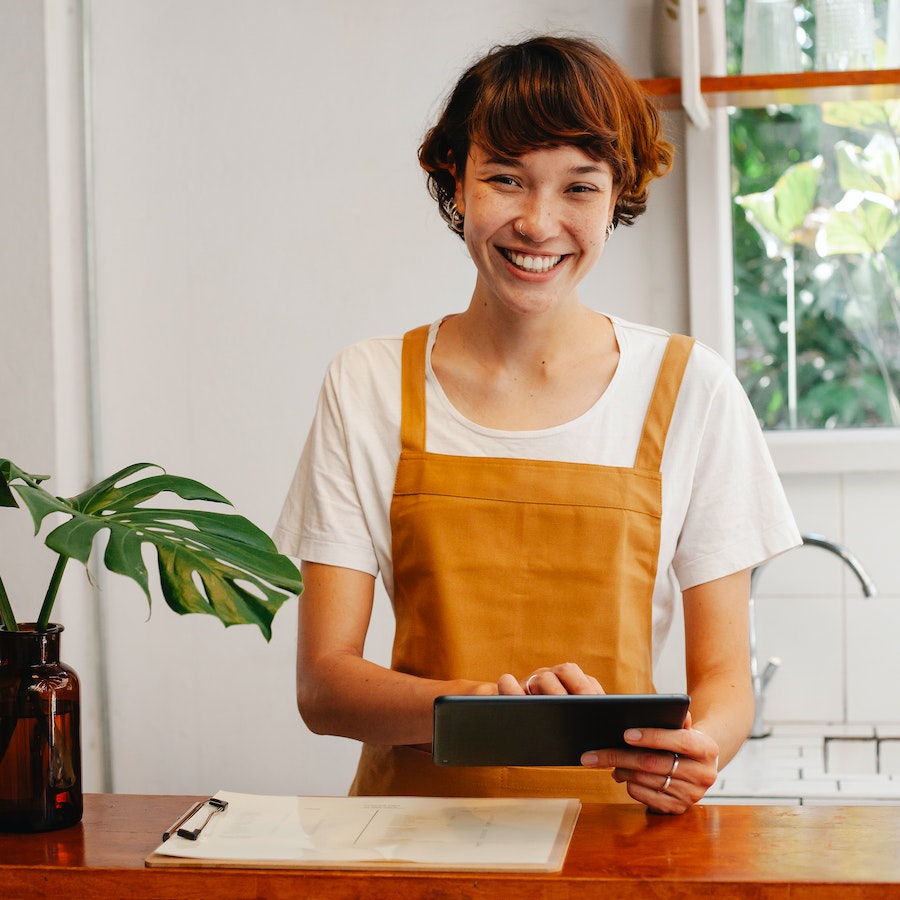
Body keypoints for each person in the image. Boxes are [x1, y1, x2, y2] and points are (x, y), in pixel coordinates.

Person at [274, 34, 801, 814]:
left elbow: (723, 683)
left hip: (614, 849)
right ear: (456, 180)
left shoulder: (692, 389)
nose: (537, 222)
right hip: (408, 847)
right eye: (505, 179)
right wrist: (493, 713)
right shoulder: (370, 384)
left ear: (619, 193)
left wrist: (701, 749)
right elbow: (324, 686)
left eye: (579, 188)